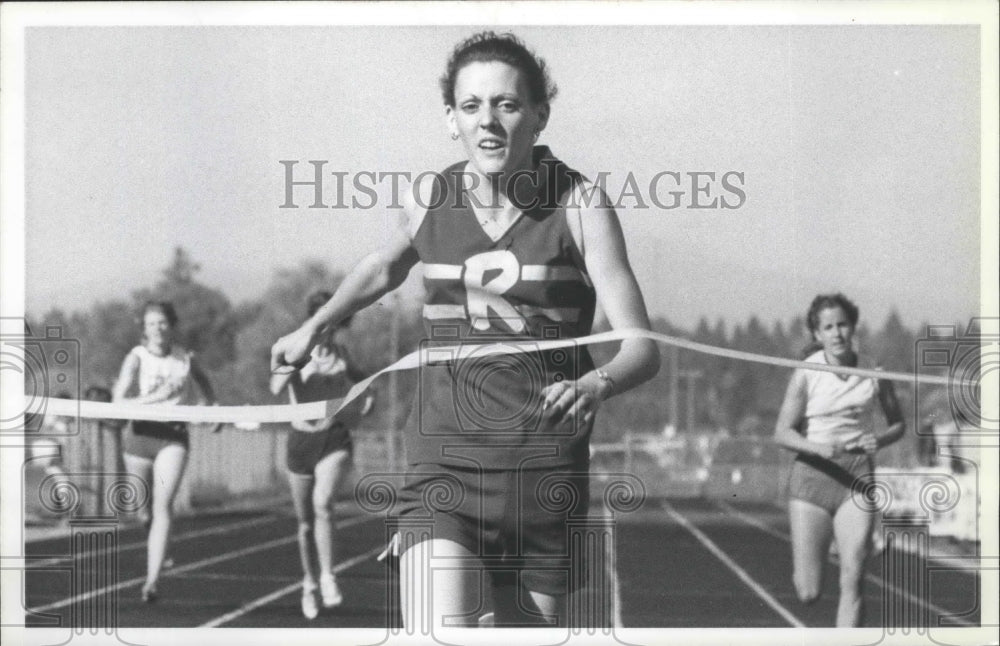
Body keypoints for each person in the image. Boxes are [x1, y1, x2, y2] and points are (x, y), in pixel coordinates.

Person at [271, 31, 659, 628]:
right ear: (450, 119)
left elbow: (642, 348)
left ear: (538, 114)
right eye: (472, 106)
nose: (489, 122)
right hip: (442, 467)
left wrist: (597, 384)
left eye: (506, 104)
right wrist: (316, 327)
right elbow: (385, 266)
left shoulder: (581, 206)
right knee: (442, 632)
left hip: (543, 477)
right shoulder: (429, 198)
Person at [773, 293, 905, 626]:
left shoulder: (873, 371)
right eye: (828, 327)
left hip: (856, 478)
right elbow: (782, 433)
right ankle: (826, 544)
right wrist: (818, 448)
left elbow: (898, 424)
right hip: (812, 477)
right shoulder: (806, 372)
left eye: (843, 325)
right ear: (817, 335)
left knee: (854, 578)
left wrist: (880, 439)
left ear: (853, 327)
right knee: (808, 593)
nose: (837, 333)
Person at [269, 291, 371, 620]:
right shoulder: (298, 351)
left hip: (334, 438)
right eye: (321, 323)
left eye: (333, 324)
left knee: (323, 504)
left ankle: (328, 575)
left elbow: (365, 378)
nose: (326, 330)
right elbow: (273, 388)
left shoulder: (341, 353)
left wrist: (368, 399)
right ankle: (309, 582)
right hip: (301, 441)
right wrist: (293, 363)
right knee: (304, 524)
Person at [112, 300, 216, 602]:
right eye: (151, 323)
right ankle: (153, 534)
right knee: (140, 509)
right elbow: (118, 402)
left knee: (163, 506)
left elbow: (206, 383)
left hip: (173, 436)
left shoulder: (185, 358)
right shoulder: (136, 357)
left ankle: (152, 581)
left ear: (172, 326)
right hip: (139, 435)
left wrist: (213, 408)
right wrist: (156, 397)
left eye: (163, 323)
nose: (158, 329)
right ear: (143, 328)